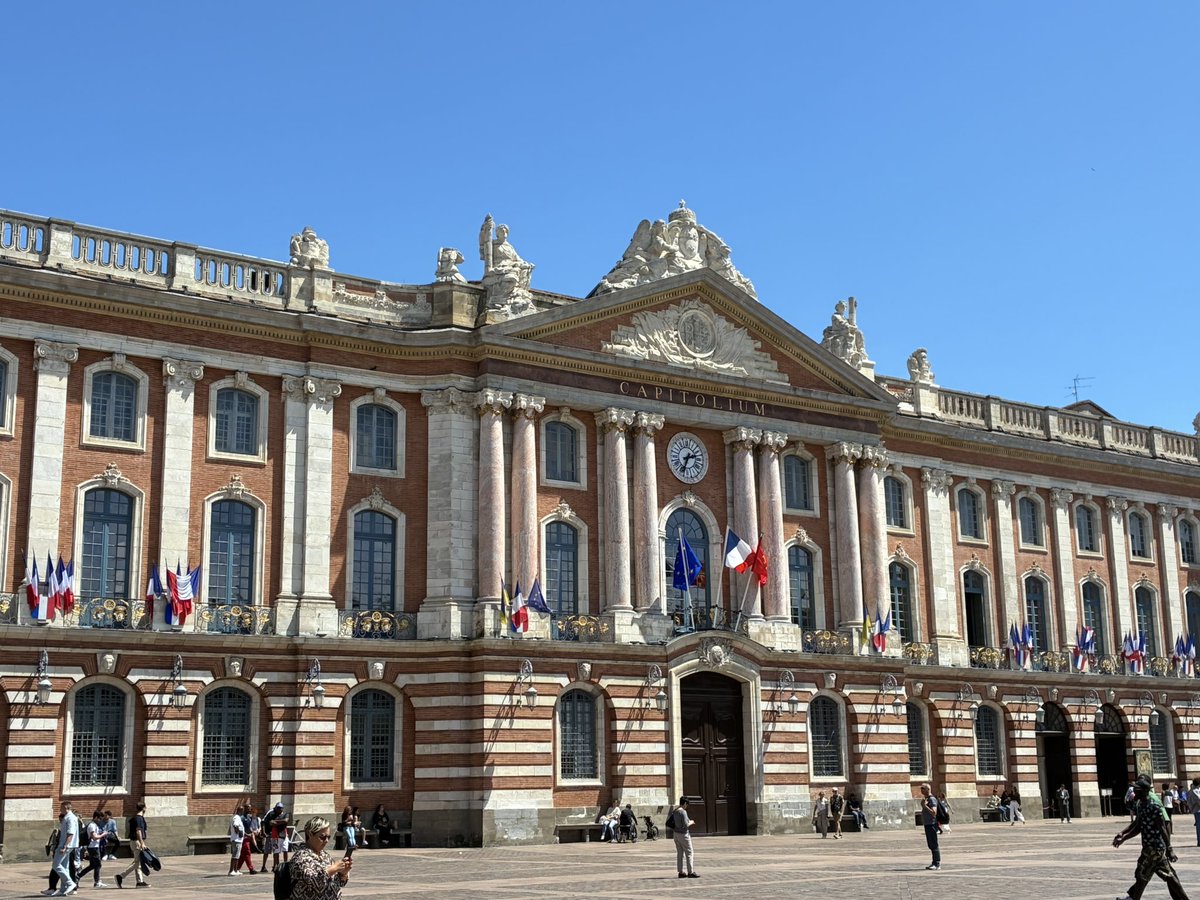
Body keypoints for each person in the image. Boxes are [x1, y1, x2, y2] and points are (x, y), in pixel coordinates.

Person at [1112, 776, 1191, 900]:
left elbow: (1163, 828)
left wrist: (1169, 848)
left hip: (1154, 849)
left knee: (1142, 876)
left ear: (1144, 791)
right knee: (1169, 876)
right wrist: (1123, 836)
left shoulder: (1154, 806)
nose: (1134, 792)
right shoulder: (1140, 805)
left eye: (1137, 790)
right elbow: (1138, 825)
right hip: (1149, 848)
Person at [290, 816, 352, 900]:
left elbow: (339, 883)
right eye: (322, 837)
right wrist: (333, 868)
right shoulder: (301, 857)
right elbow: (312, 880)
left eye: (328, 837)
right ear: (310, 834)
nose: (326, 841)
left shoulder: (325, 856)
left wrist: (343, 873)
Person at [113, 801, 150, 889]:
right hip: (137, 842)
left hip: (134, 841)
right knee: (138, 862)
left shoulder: (135, 818)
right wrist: (142, 843)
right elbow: (138, 831)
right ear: (144, 808)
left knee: (137, 862)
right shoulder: (139, 818)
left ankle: (139, 882)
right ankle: (121, 876)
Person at [51, 799, 80, 895]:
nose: (60, 809)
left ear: (65, 807)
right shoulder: (68, 817)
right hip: (67, 844)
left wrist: (65, 845)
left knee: (56, 865)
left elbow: (70, 833)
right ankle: (63, 889)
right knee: (64, 866)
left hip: (66, 845)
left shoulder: (70, 818)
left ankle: (70, 883)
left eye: (61, 808)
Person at [75, 811, 109, 888]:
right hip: (93, 847)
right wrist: (103, 834)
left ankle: (78, 876)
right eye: (100, 819)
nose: (100, 821)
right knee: (98, 865)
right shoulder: (92, 825)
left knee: (93, 865)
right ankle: (97, 882)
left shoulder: (94, 825)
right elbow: (94, 837)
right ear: (96, 817)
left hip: (94, 847)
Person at [669, 797, 698, 879]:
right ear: (685, 803)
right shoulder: (683, 812)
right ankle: (690, 872)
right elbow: (685, 825)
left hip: (676, 834)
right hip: (683, 835)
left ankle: (681, 871)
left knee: (680, 853)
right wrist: (691, 822)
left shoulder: (675, 811)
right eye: (687, 804)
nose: (686, 806)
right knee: (689, 852)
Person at [262, 802, 291, 873]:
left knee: (285, 850)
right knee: (276, 852)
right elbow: (270, 823)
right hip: (275, 836)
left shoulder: (285, 814)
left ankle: (285, 865)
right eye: (278, 808)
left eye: (280, 808)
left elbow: (285, 821)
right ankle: (276, 866)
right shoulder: (271, 814)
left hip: (283, 835)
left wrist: (276, 822)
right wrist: (280, 822)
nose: (279, 809)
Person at [919, 783, 940, 871]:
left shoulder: (932, 799)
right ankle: (934, 862)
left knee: (934, 844)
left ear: (928, 789)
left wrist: (924, 806)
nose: (921, 790)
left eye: (923, 788)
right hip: (927, 824)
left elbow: (934, 812)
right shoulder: (926, 799)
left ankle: (937, 863)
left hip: (932, 824)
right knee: (931, 844)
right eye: (921, 788)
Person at [228, 801, 247, 875]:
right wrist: (239, 832)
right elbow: (235, 825)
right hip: (236, 840)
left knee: (237, 856)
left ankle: (236, 870)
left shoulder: (237, 817)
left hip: (238, 840)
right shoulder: (237, 817)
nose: (243, 812)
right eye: (242, 810)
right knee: (235, 856)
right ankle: (231, 871)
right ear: (240, 811)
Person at [1190, 778, 1200, 847]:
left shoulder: (1195, 790)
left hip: (1196, 810)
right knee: (1199, 827)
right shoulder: (1194, 791)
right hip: (1198, 810)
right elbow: (1199, 800)